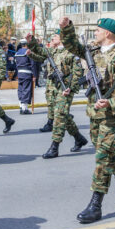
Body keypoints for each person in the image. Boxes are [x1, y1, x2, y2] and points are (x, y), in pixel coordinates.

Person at [60, 16, 115, 223]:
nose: (95, 33)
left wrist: (111, 103)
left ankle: (95, 204)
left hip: (114, 113)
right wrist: (66, 28)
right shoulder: (92, 51)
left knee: (103, 157)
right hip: (95, 111)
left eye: (98, 30)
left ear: (107, 33)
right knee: (106, 152)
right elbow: (71, 46)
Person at [27, 29, 88, 158]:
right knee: (61, 116)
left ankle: (54, 147)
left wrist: (71, 88)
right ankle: (78, 138)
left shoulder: (71, 52)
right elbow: (40, 52)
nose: (53, 38)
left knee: (60, 116)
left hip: (65, 89)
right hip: (53, 88)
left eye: (55, 35)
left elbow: (78, 72)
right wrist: (31, 42)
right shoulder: (53, 51)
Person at [14, 39, 35, 114]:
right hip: (27, 73)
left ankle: (21, 106)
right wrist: (34, 75)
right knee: (26, 90)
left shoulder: (17, 52)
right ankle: (24, 108)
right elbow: (32, 64)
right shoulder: (28, 52)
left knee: (20, 89)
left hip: (20, 73)